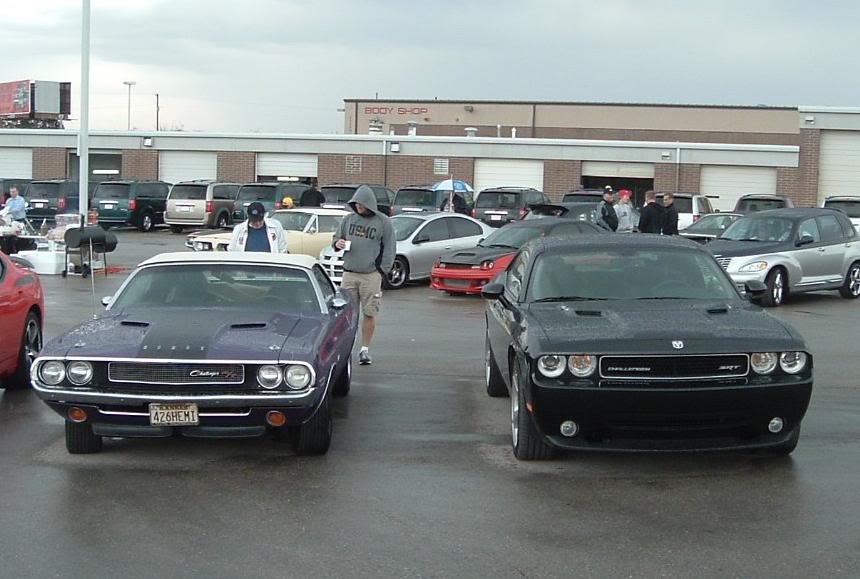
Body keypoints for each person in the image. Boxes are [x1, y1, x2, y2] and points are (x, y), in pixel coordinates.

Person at [333, 185, 395, 366]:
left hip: (370, 275)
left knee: (369, 312)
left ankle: (365, 349)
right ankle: (346, 348)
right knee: (347, 314)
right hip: (349, 273)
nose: (359, 207)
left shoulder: (383, 222)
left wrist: (382, 271)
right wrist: (339, 243)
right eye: (356, 204)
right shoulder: (348, 220)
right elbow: (336, 241)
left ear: (369, 203)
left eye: (362, 204)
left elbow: (390, 248)